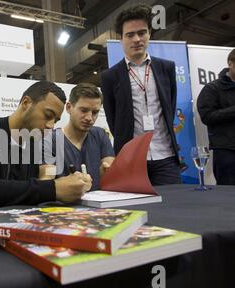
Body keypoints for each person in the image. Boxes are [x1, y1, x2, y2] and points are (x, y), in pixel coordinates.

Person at [0, 81, 92, 208]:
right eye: (48, 115)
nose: (51, 125)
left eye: (55, 120)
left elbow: (29, 189)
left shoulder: (33, 143)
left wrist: (68, 185)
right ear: (26, 103)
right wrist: (53, 188)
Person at [100, 4, 181, 185]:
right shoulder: (110, 77)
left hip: (165, 156)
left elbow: (170, 106)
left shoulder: (166, 68)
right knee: (135, 211)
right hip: (131, 160)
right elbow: (113, 120)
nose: (137, 39)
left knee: (174, 209)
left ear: (149, 34)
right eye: (130, 35)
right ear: (121, 38)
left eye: (142, 33)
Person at [41, 83, 115, 191]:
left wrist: (106, 173)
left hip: (99, 206)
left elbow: (109, 168)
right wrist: (67, 184)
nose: (89, 118)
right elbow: (46, 181)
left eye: (95, 112)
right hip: (63, 206)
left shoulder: (100, 135)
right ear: (69, 107)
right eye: (83, 110)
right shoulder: (50, 141)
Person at [197, 49, 235, 185]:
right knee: (227, 197)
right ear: (230, 63)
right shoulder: (212, 88)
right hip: (227, 151)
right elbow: (207, 117)